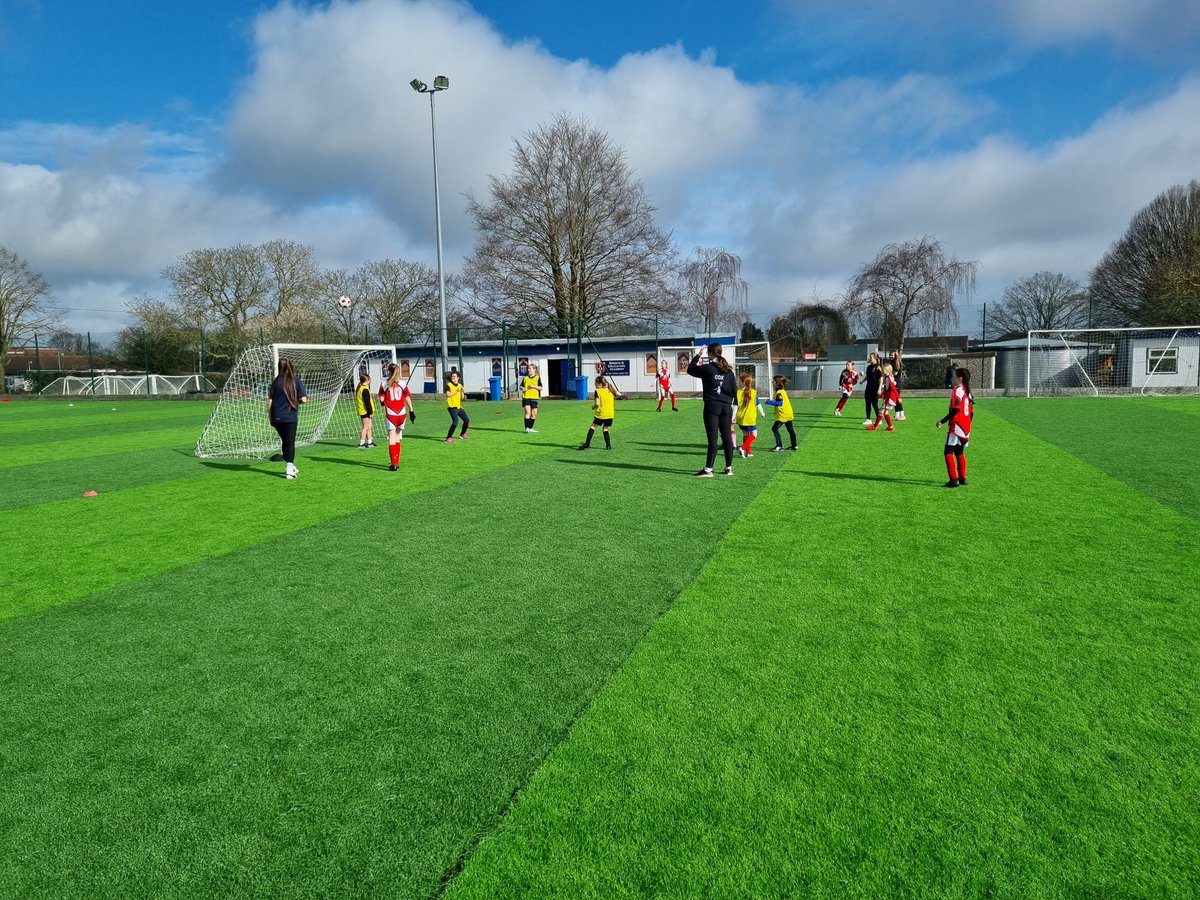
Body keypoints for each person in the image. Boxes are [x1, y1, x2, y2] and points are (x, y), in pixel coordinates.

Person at [686, 342, 737, 477]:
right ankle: (729, 468)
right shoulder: (729, 372)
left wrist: (698, 354)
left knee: (713, 439)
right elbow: (734, 392)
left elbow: (690, 369)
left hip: (712, 406)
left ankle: (708, 470)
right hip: (726, 407)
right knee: (727, 437)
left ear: (709, 353)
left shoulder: (708, 368)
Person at [267, 356, 307, 479]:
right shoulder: (296, 381)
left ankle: (291, 466)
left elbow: (270, 401)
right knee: (289, 442)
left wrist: (271, 417)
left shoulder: (275, 382)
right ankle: (289, 469)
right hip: (289, 417)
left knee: (285, 441)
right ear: (291, 366)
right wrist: (297, 401)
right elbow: (304, 399)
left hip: (276, 417)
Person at [937, 367, 974, 487]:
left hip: (956, 426)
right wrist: (968, 424)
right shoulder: (967, 391)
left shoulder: (957, 390)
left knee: (948, 452)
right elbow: (971, 412)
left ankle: (953, 480)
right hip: (966, 427)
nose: (952, 378)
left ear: (960, 379)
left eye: (954, 376)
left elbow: (956, 409)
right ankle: (962, 478)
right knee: (959, 452)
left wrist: (942, 421)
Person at [378, 363, 416, 471]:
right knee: (398, 436)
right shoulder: (403, 384)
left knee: (391, 437)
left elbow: (381, 399)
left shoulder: (384, 384)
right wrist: (412, 411)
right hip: (402, 413)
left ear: (389, 371)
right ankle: (397, 461)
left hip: (391, 414)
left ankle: (393, 463)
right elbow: (407, 398)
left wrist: (383, 401)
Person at [577, 375, 623, 449]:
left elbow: (597, 404)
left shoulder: (598, 391)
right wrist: (618, 393)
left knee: (593, 427)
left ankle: (587, 444)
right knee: (605, 429)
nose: (595, 384)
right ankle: (608, 445)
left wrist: (593, 407)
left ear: (600, 384)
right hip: (610, 414)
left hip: (601, 414)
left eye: (596, 383)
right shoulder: (610, 390)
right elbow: (619, 394)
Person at [762, 374, 797, 451]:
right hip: (788, 413)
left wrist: (768, 401)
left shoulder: (779, 393)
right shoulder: (782, 391)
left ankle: (779, 446)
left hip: (783, 415)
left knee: (774, 429)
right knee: (790, 430)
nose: (772, 383)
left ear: (778, 383)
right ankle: (794, 446)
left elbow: (779, 403)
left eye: (773, 381)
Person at [735, 373, 763, 458]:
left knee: (746, 434)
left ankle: (748, 452)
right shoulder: (753, 392)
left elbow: (735, 405)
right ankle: (742, 448)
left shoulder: (737, 393)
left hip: (740, 418)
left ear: (743, 382)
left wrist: (733, 416)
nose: (738, 382)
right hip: (750, 418)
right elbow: (758, 403)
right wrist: (762, 412)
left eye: (739, 381)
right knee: (754, 435)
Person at [866, 363, 898, 431]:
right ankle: (890, 426)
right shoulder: (888, 377)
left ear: (888, 371)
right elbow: (887, 388)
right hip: (889, 398)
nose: (882, 371)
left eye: (884, 370)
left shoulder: (889, 378)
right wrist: (881, 395)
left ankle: (875, 426)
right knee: (885, 412)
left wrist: (898, 397)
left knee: (881, 411)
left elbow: (893, 388)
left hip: (890, 398)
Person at [444, 370, 470, 443]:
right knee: (455, 423)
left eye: (454, 376)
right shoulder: (449, 385)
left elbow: (462, 398)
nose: (453, 377)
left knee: (466, 420)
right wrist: (456, 391)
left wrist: (462, 391)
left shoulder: (460, 385)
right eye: (452, 376)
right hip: (452, 407)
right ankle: (448, 438)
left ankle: (462, 434)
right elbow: (448, 395)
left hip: (459, 407)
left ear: (458, 378)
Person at [355, 371, 376, 449]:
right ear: (367, 380)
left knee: (369, 427)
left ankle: (370, 442)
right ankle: (361, 443)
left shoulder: (363, 388)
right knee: (365, 427)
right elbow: (367, 402)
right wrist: (370, 412)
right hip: (365, 411)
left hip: (366, 411)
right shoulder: (364, 389)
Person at [520, 363, 543, 433]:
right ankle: (526, 428)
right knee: (528, 412)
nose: (528, 369)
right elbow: (521, 386)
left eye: (530, 368)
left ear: (534, 369)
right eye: (528, 368)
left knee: (534, 413)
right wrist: (523, 388)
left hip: (534, 397)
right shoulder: (525, 378)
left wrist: (534, 386)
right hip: (526, 397)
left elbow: (541, 388)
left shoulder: (537, 378)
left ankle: (530, 428)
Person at [863, 351, 882, 425]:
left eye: (871, 357)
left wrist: (879, 388)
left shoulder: (878, 367)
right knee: (867, 404)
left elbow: (881, 378)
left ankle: (879, 420)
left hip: (875, 388)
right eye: (869, 357)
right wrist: (862, 381)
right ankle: (868, 419)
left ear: (875, 358)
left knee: (874, 404)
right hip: (868, 388)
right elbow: (867, 376)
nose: (869, 358)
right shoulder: (868, 367)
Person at [890, 350, 906, 420]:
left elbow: (895, 373)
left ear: (895, 356)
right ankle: (897, 414)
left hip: (897, 383)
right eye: (890, 355)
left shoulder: (897, 363)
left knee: (897, 398)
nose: (890, 356)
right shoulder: (892, 362)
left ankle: (902, 415)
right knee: (894, 398)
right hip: (893, 382)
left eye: (891, 355)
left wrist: (888, 371)